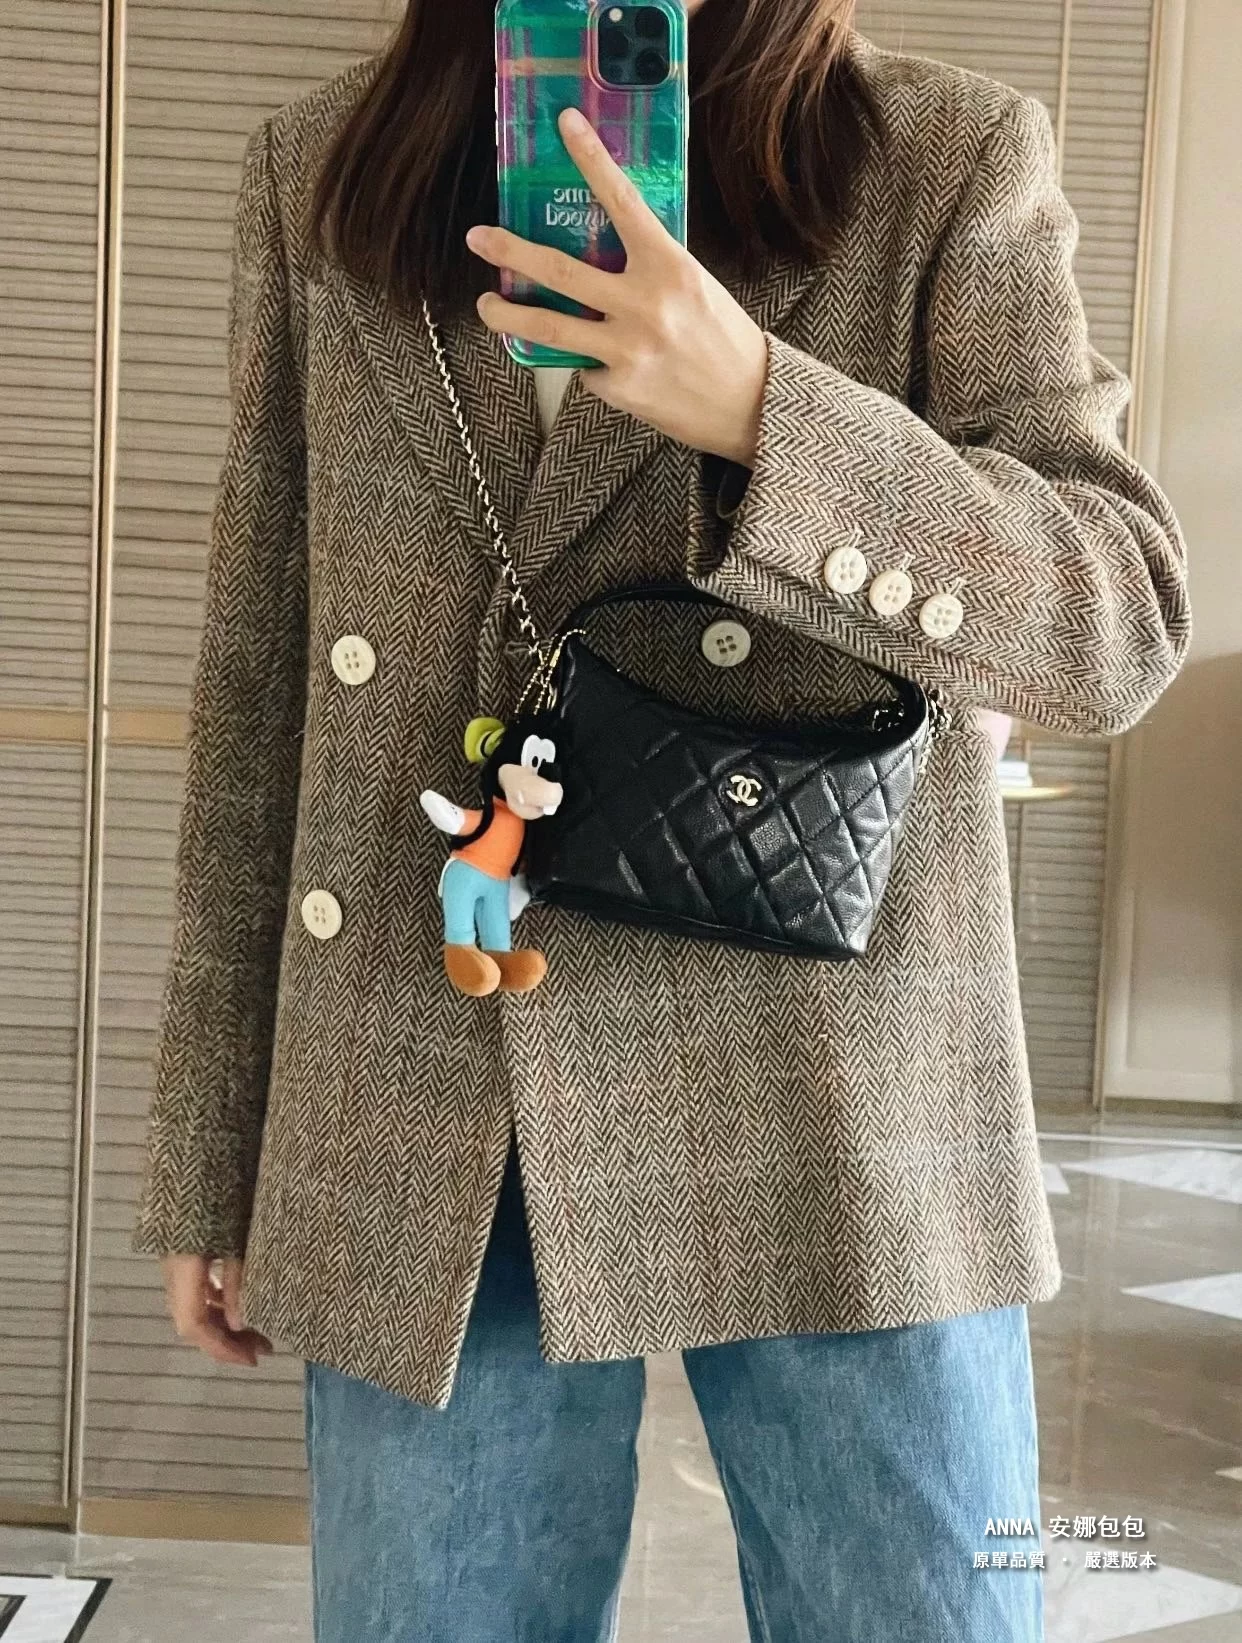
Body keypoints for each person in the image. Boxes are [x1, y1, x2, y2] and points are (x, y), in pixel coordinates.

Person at [134, 1, 1191, 1639]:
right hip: (422, 1074)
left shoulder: (936, 156)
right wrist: (215, 1154)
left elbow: (1114, 619)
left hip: (838, 1088)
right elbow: (264, 681)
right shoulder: (332, 169)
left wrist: (769, 410)